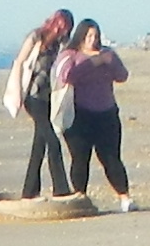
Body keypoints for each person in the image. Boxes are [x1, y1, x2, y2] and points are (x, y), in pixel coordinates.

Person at [56, 19, 131, 207]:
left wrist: (109, 61)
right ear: (81, 36)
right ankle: (80, 197)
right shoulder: (70, 54)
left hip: (107, 113)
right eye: (89, 35)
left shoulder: (108, 53)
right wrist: (95, 61)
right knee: (80, 158)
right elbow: (66, 76)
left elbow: (122, 75)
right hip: (79, 115)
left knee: (111, 157)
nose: (92, 39)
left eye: (96, 36)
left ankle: (125, 197)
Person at [6, 7, 75, 198]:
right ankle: (61, 190)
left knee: (40, 145)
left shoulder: (63, 44)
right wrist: (18, 93)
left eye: (67, 27)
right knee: (53, 141)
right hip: (32, 96)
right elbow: (19, 62)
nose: (63, 30)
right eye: (62, 25)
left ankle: (29, 191)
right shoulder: (36, 37)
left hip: (48, 99)